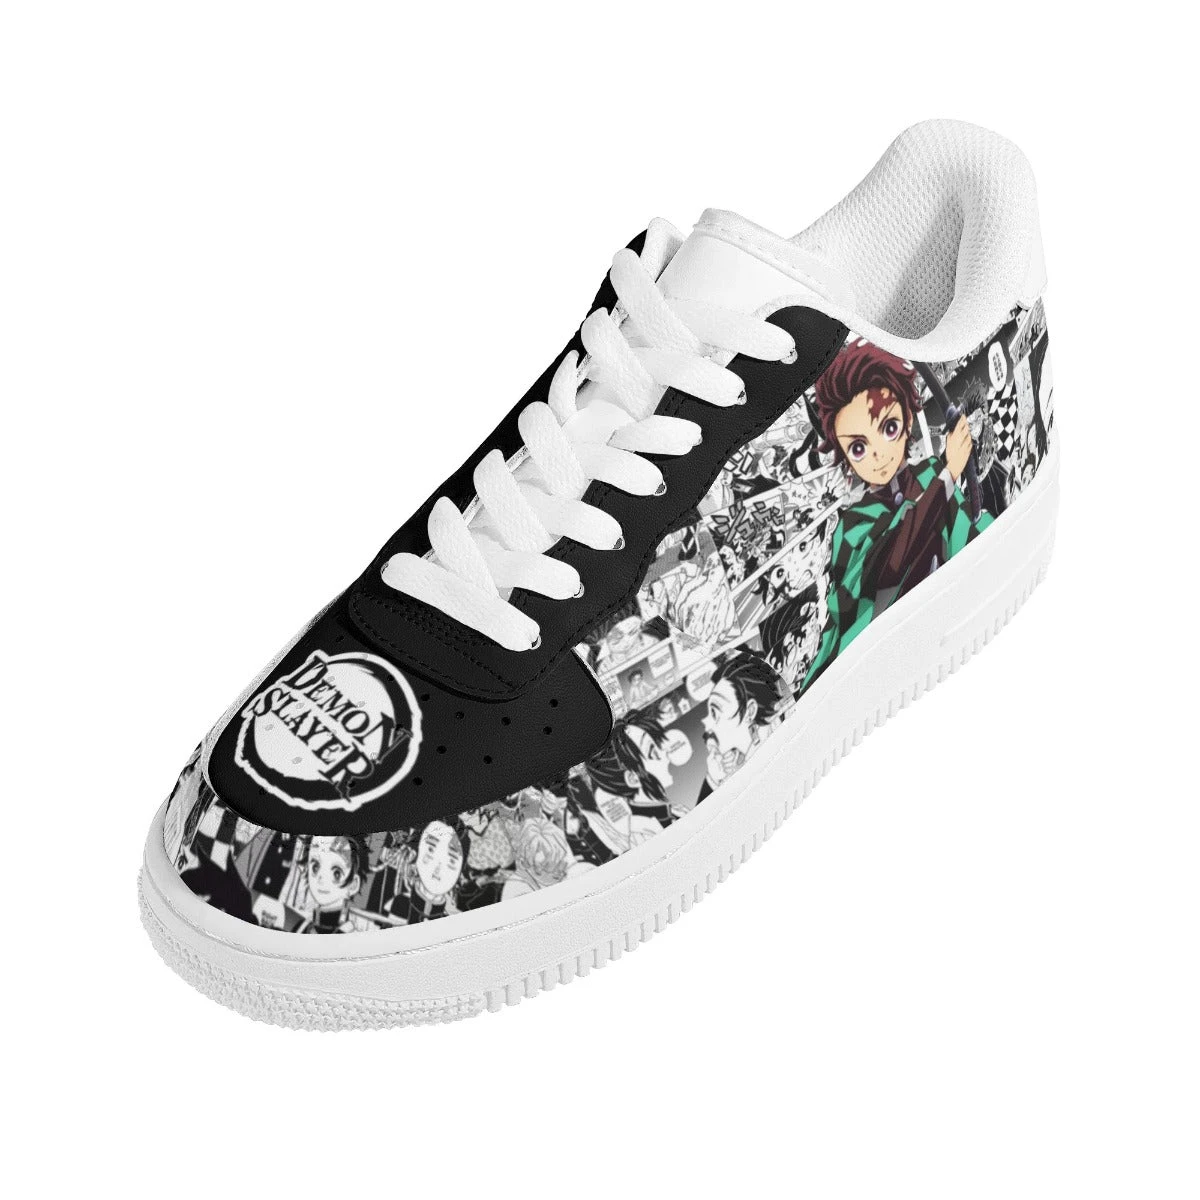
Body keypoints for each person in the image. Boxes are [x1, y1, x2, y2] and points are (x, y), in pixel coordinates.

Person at [803, 341, 993, 689]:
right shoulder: (853, 525)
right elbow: (887, 572)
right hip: (874, 657)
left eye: (888, 428)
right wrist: (949, 475)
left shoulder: (930, 473)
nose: (878, 454)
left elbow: (966, 536)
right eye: (858, 447)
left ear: (907, 419)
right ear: (843, 453)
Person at [699, 649, 784, 799]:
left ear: (750, 711)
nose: (706, 724)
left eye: (715, 711)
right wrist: (713, 779)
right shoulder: (723, 767)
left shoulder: (774, 732)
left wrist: (712, 783)